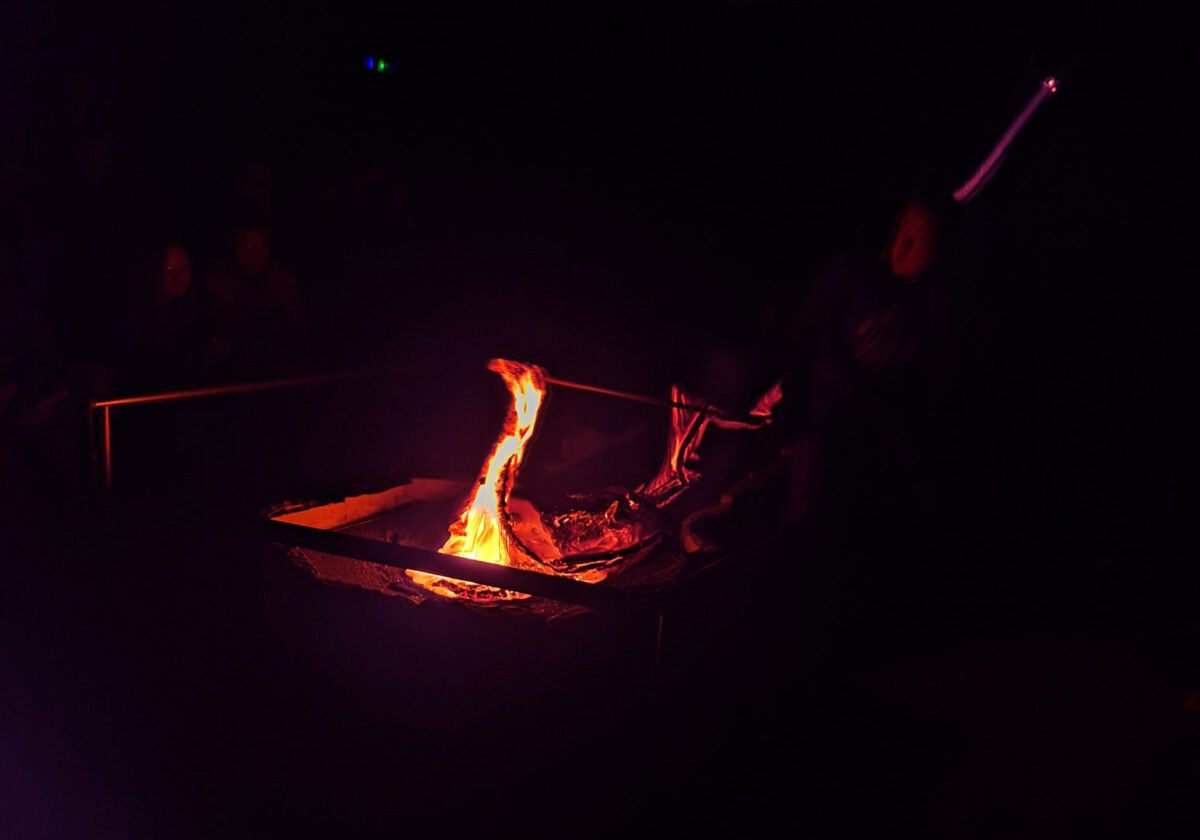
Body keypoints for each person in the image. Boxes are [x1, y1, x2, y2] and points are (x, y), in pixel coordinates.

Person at [781, 195, 956, 534]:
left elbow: (928, 390)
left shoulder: (931, 313)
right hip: (821, 429)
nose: (902, 248)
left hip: (874, 449)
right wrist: (794, 417)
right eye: (902, 233)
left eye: (917, 242)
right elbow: (801, 339)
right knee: (805, 531)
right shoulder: (852, 275)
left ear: (935, 252)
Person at [199, 216, 314, 380]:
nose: (255, 254)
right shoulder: (217, 283)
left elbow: (304, 333)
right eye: (247, 246)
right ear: (234, 247)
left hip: (277, 382)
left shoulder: (283, 283)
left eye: (261, 246)